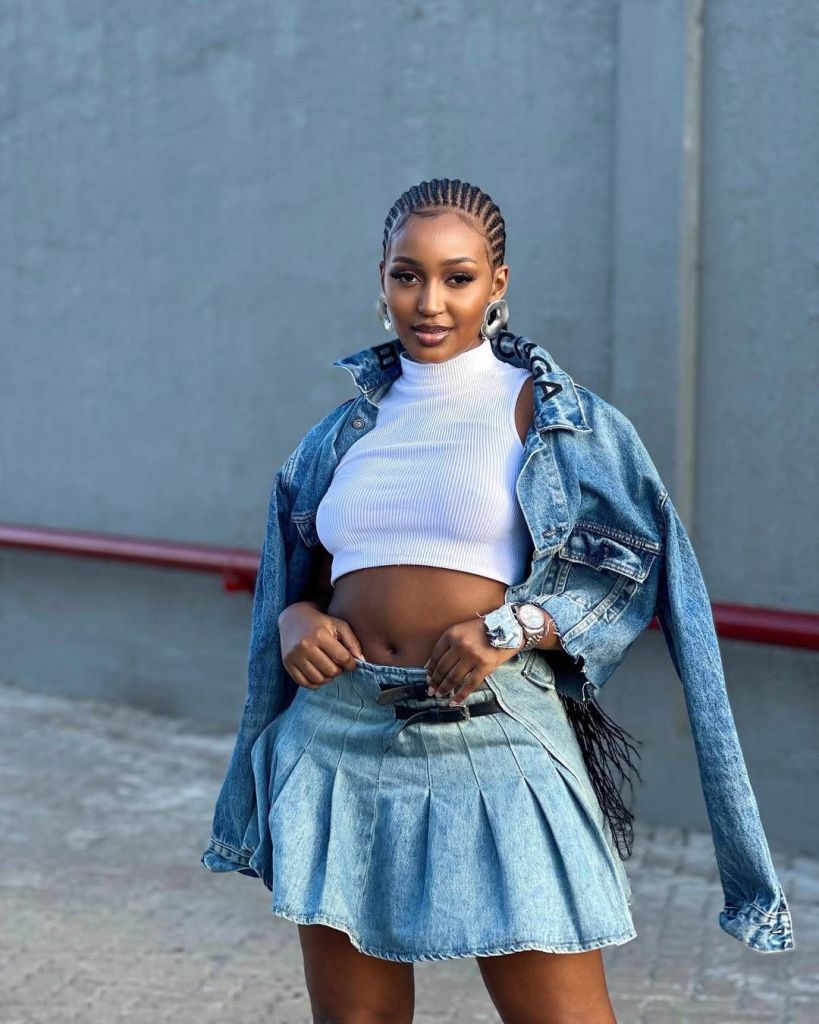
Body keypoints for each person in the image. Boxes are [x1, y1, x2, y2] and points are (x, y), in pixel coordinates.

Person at [201, 178, 793, 1023]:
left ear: (497, 284)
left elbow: (632, 572)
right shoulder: (341, 433)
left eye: (457, 277)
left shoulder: (562, 420)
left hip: (488, 730)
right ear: (381, 280)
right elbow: (308, 575)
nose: (429, 302)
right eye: (407, 276)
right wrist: (297, 618)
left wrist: (516, 624)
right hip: (337, 732)